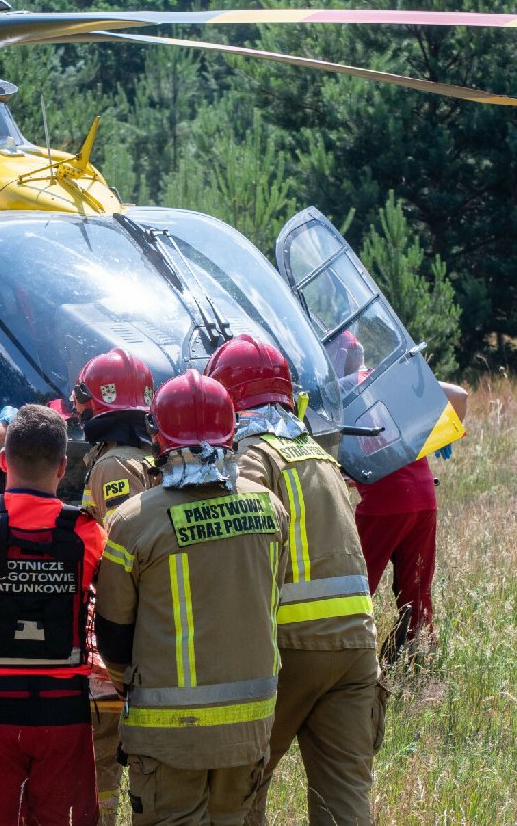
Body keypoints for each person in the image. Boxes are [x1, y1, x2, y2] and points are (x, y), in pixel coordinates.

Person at [96, 371, 289, 826]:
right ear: (231, 433)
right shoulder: (269, 507)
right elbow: (271, 602)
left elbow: (113, 632)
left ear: (158, 437)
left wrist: (127, 682)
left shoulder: (133, 521)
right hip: (250, 728)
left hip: (169, 736)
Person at [205, 335, 381, 826]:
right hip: (355, 648)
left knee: (237, 795)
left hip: (290, 649)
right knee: (342, 802)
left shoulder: (252, 457)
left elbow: (238, 551)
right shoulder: (320, 455)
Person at [0, 404, 107, 826]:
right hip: (63, 714)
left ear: (2, 461)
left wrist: (3, 424)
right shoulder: (88, 533)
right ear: (63, 466)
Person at [330, 331, 468, 656]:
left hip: (385, 503)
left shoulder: (339, 393)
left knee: (355, 587)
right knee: (416, 593)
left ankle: (345, 656)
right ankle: (418, 660)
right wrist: (436, 430)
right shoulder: (385, 383)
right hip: (423, 497)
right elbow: (459, 395)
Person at [71, 348, 158, 825]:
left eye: (82, 399)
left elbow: (120, 550)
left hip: (116, 637)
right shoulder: (148, 459)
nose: (78, 409)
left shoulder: (112, 468)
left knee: (101, 761)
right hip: (149, 633)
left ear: (99, 405)